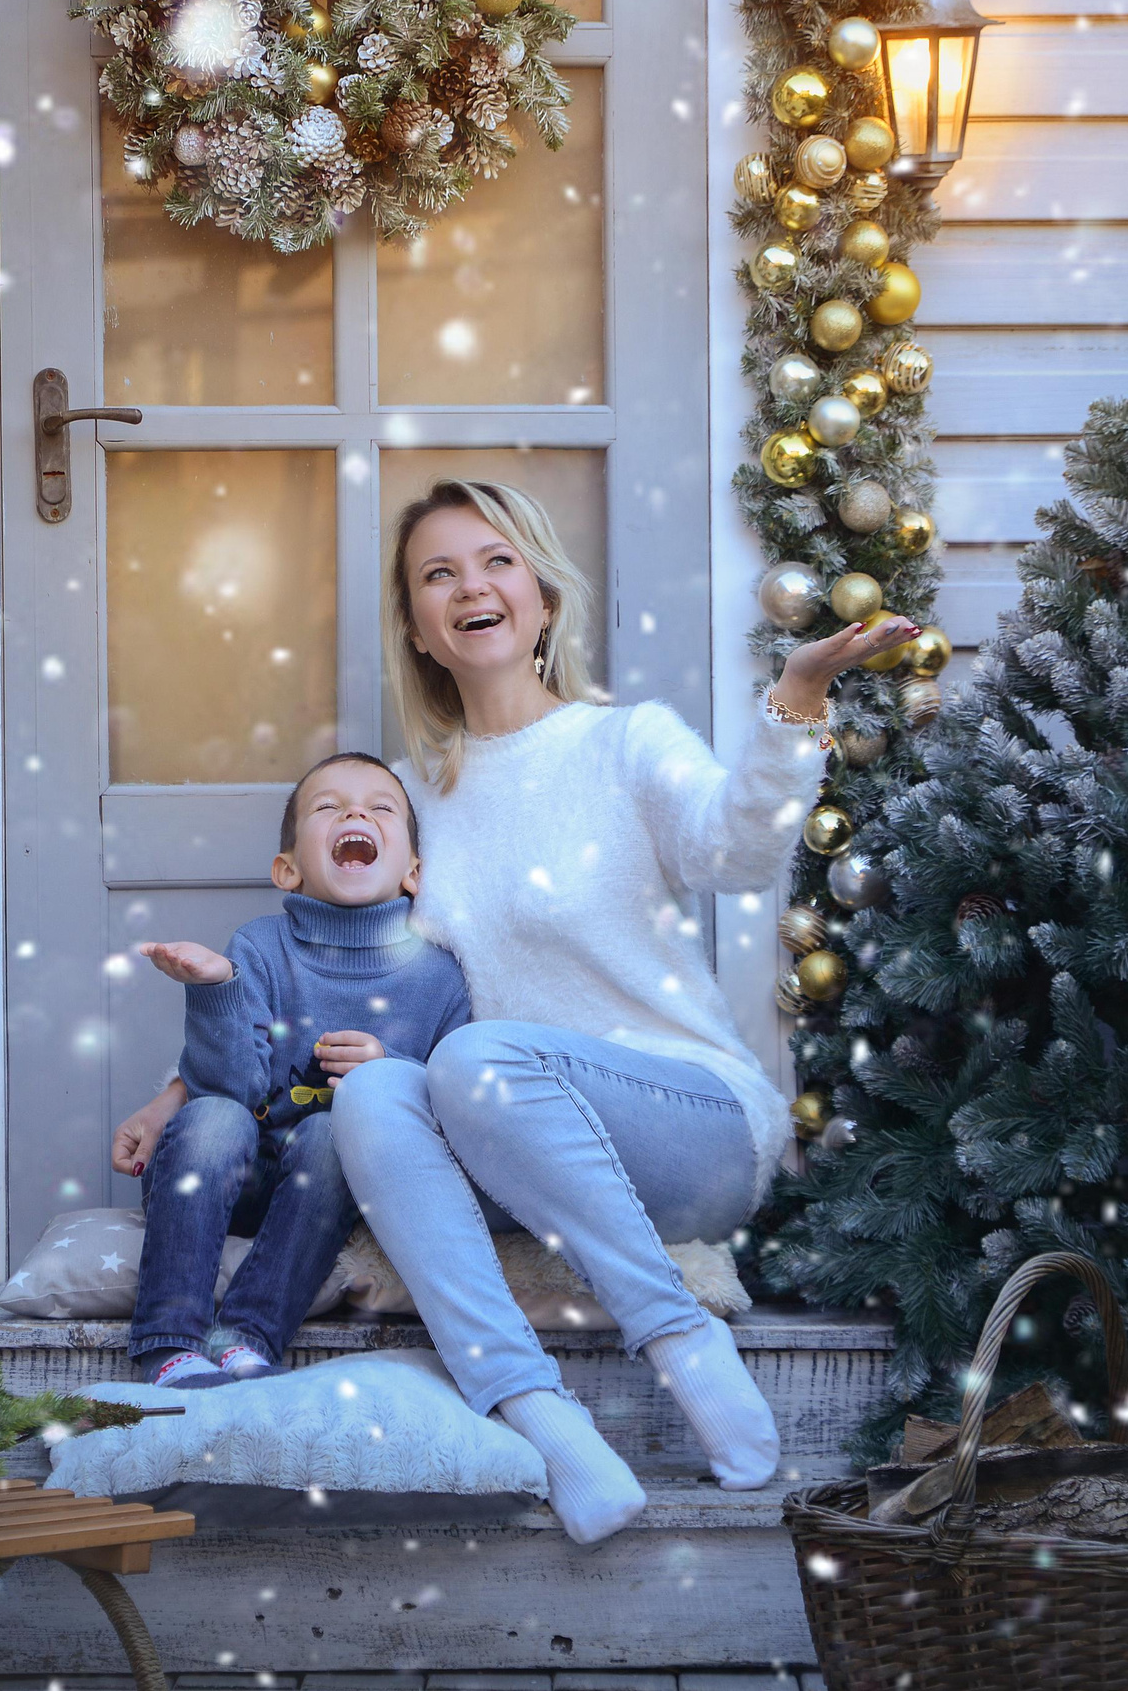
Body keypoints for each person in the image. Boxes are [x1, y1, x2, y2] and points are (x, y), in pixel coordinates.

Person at [335, 477, 915, 1541]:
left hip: (685, 1123)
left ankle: (681, 1336)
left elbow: (737, 855)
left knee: (476, 1061)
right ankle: (536, 1411)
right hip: (514, 1143)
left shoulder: (626, 739)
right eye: (439, 572)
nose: (472, 584)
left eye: (497, 559)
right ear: (418, 629)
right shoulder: (412, 799)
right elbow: (342, 959)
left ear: (544, 598)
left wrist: (793, 702)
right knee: (376, 1091)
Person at [114, 752, 472, 1389]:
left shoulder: (439, 977)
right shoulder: (259, 948)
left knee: (335, 1131)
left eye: (379, 807)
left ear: (415, 872)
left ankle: (249, 1334)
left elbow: (453, 1111)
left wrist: (389, 1073)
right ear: (288, 869)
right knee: (216, 1117)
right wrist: (218, 988)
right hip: (232, 1170)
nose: (355, 812)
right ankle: (168, 1342)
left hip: (327, 1192)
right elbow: (231, 1088)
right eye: (328, 806)